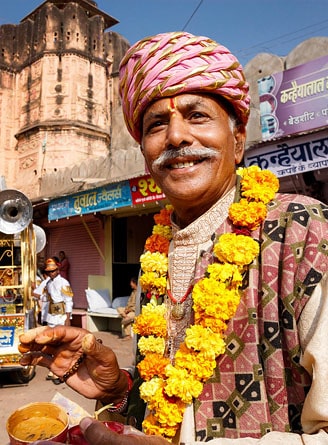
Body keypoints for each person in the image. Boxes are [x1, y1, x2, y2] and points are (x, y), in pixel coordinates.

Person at [18, 31, 328, 444]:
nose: (176, 137)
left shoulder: (302, 230)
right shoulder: (159, 255)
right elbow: (172, 412)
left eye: (197, 115)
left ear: (238, 140)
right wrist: (118, 388)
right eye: (157, 124)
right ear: (145, 153)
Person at [41, 257, 74, 384]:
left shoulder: (64, 282)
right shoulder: (48, 283)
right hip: (51, 316)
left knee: (61, 344)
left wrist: (68, 317)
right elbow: (45, 298)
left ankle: (60, 371)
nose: (51, 273)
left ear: (58, 270)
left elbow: (68, 300)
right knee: (52, 343)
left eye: (53, 271)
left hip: (61, 316)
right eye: (49, 271)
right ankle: (54, 369)